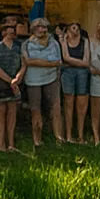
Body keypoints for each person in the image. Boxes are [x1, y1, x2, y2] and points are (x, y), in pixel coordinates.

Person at [23, 18, 65, 148]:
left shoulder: (54, 43)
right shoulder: (26, 44)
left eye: (44, 27)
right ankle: (37, 140)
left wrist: (43, 62)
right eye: (39, 27)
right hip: (33, 80)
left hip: (52, 78)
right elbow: (29, 61)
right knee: (36, 110)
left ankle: (59, 138)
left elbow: (59, 61)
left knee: (56, 108)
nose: (42, 30)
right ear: (33, 29)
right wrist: (50, 63)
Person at [0, 18, 26, 152]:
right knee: (1, 115)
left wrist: (18, 77)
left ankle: (11, 143)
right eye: (9, 29)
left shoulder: (19, 46)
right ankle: (1, 145)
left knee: (12, 114)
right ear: (3, 32)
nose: (12, 32)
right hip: (1, 85)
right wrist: (10, 80)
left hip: (15, 85)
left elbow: (24, 63)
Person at [60, 22, 91, 144]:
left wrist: (73, 62)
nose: (76, 30)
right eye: (73, 28)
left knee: (82, 104)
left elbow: (87, 60)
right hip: (68, 73)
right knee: (68, 103)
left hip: (82, 74)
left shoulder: (85, 41)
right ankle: (68, 135)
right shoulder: (64, 41)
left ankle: (80, 135)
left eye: (78, 28)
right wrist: (81, 63)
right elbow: (65, 57)